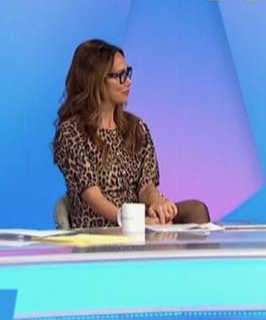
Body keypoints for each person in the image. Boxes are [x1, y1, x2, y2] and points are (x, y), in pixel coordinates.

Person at [53, 39, 209, 228]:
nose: (128, 81)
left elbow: (146, 185)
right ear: (95, 80)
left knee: (196, 210)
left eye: (128, 73)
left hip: (139, 223)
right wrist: (132, 222)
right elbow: (91, 195)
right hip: (102, 227)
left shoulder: (136, 128)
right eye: (120, 75)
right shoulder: (71, 133)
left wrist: (156, 202)